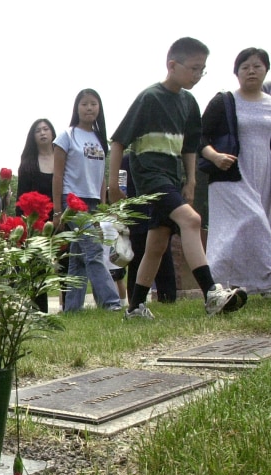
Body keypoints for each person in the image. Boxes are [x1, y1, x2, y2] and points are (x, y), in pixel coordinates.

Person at [108, 37, 247, 319]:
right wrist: (113, 184)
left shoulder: (189, 103)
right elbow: (119, 141)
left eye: (202, 70)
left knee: (157, 243)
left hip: (173, 177)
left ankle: (134, 308)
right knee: (192, 220)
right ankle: (211, 293)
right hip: (150, 175)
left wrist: (191, 180)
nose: (197, 75)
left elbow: (189, 146)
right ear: (172, 65)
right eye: (194, 68)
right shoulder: (149, 98)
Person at [201, 47, 271, 295]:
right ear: (236, 72)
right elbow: (199, 137)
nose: (251, 71)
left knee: (251, 229)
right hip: (231, 174)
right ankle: (220, 282)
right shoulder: (224, 101)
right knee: (254, 222)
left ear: (266, 70)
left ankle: (249, 285)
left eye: (257, 66)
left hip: (263, 172)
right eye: (245, 67)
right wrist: (215, 156)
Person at [52, 89, 121, 312]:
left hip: (93, 201)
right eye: (84, 104)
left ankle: (72, 308)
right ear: (77, 108)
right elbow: (58, 174)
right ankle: (111, 303)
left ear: (99, 108)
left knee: (79, 256)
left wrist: (102, 208)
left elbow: (101, 177)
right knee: (93, 250)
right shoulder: (67, 136)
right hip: (72, 201)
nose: (89, 108)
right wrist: (56, 210)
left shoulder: (101, 140)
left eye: (93, 104)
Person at [17, 118, 62, 312]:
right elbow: (21, 198)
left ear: (53, 133)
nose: (43, 133)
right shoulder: (27, 164)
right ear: (33, 137)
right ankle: (38, 310)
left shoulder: (63, 158)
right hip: (36, 222)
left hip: (61, 217)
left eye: (46, 129)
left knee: (66, 261)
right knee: (37, 267)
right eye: (38, 130)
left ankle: (70, 306)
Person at [120, 154, 177, 303]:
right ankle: (135, 299)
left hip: (158, 212)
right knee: (137, 258)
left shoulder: (161, 158)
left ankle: (167, 297)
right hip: (136, 216)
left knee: (163, 255)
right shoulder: (126, 161)